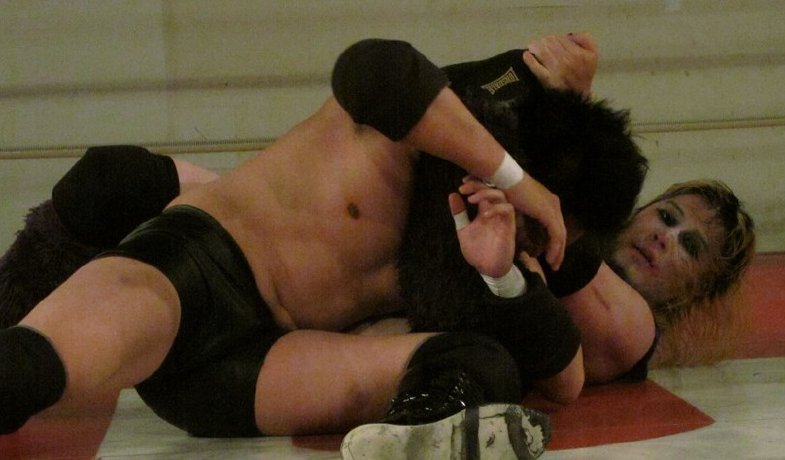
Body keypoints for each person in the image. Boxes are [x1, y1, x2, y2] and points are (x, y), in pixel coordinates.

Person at [0, 35, 647, 460]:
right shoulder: (419, 124)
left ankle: (413, 437)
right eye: (540, 226)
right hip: (193, 274)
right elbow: (373, 68)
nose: (534, 244)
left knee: (481, 363)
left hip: (255, 370)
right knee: (33, 369)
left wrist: (506, 275)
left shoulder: (490, 241)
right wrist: (514, 178)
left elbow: (564, 379)